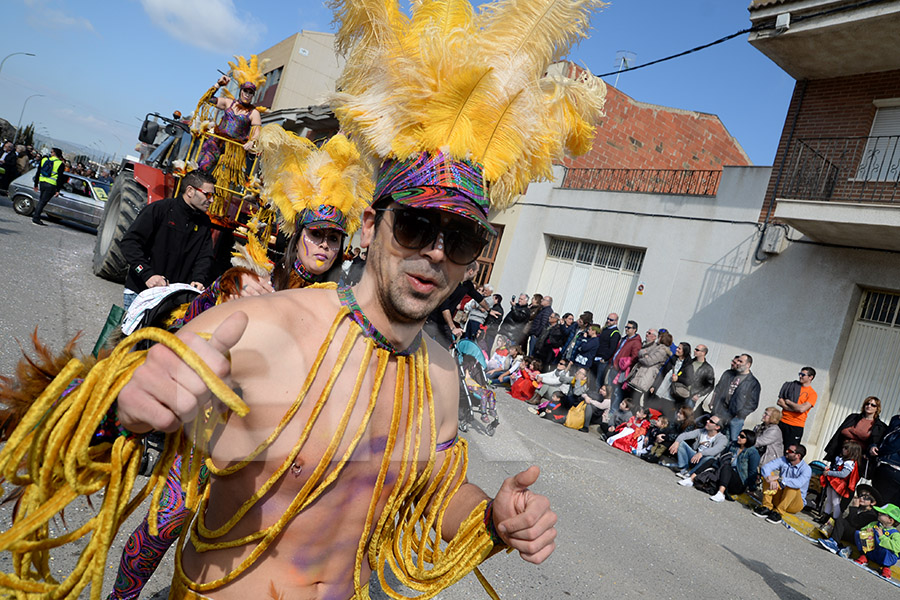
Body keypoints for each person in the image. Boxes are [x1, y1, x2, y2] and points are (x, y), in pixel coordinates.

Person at [0, 2, 609, 596]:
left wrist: (494, 518)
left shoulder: (442, 375)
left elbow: (436, 492)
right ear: (370, 228)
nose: (435, 255)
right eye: (416, 227)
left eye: (462, 238)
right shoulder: (254, 327)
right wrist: (118, 405)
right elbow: (71, 436)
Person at [106, 125, 372, 600]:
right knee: (165, 523)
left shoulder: (341, 303)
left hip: (273, 446)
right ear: (299, 234)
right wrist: (226, 294)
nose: (324, 247)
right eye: (317, 235)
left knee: (235, 553)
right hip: (212, 427)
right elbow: (193, 323)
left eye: (334, 239)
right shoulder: (253, 274)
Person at [119, 170, 217, 312]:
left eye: (213, 195)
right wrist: (147, 274)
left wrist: (198, 279)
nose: (211, 200)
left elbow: (204, 257)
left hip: (173, 299)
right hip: (142, 293)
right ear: (190, 191)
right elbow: (129, 243)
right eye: (207, 194)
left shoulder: (204, 223)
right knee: (131, 335)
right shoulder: (159, 210)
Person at [823, 396, 887, 480]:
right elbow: (843, 431)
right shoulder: (853, 417)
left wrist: (852, 431)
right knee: (832, 479)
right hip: (842, 452)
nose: (869, 406)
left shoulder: (879, 426)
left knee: (848, 483)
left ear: (877, 409)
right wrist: (860, 436)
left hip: (857, 458)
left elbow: (873, 443)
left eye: (873, 405)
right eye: (867, 404)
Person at [817, 484, 882, 557]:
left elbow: (855, 523)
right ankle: (835, 541)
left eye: (866, 497)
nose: (861, 498)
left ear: (873, 502)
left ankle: (834, 543)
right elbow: (848, 520)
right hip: (850, 532)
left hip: (858, 536)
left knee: (841, 520)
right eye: (860, 496)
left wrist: (854, 508)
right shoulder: (860, 509)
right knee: (838, 518)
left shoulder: (871, 514)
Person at [754, 444, 812, 524]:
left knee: (792, 486)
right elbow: (766, 467)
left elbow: (799, 483)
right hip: (780, 496)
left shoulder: (806, 469)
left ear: (798, 455)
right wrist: (771, 480)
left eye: (790, 451)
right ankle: (766, 507)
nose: (786, 451)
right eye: (787, 449)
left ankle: (778, 513)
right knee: (769, 475)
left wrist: (779, 478)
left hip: (794, 504)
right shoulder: (784, 459)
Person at [710, 353, 761, 444]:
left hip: (735, 418)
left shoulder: (753, 383)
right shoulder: (728, 374)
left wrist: (740, 414)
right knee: (712, 437)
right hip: (720, 412)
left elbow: (753, 403)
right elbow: (718, 389)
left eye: (741, 361)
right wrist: (713, 404)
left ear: (748, 365)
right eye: (737, 360)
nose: (737, 362)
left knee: (731, 441)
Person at [706, 429, 761, 501]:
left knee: (727, 467)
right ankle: (691, 478)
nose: (738, 437)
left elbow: (752, 471)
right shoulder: (733, 445)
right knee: (711, 460)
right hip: (725, 475)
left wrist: (752, 488)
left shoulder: (752, 452)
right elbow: (723, 457)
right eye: (739, 435)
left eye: (742, 436)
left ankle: (720, 493)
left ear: (749, 439)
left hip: (738, 482)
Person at [853, 503, 900, 579]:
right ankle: (864, 556)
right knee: (858, 533)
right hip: (872, 551)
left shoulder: (895, 534)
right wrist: (867, 531)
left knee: (887, 551)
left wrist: (882, 537)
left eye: (882, 514)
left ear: (890, 520)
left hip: (883, 556)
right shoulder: (875, 524)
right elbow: (862, 530)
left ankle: (886, 567)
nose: (879, 513)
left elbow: (897, 547)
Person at [628, 328, 671, 407]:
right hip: (640, 374)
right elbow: (641, 351)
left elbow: (649, 361)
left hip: (646, 376)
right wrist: (645, 355)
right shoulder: (655, 346)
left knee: (637, 400)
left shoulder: (662, 351)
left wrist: (644, 356)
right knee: (631, 396)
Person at [820, 440, 862, 521]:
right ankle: (825, 516)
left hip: (838, 484)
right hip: (832, 481)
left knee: (835, 502)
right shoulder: (840, 459)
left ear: (852, 452)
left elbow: (843, 474)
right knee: (829, 499)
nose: (843, 450)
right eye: (844, 448)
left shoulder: (849, 463)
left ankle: (835, 520)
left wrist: (829, 473)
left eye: (846, 449)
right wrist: (829, 469)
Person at [776, 366, 818, 448]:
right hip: (782, 421)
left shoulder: (812, 394)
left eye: (803, 375)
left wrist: (788, 402)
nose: (800, 376)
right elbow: (780, 402)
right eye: (800, 374)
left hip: (796, 426)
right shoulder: (791, 386)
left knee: (789, 450)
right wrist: (794, 408)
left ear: (810, 377)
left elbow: (802, 409)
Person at [31, 147, 65, 226]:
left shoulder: (44, 160)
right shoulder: (60, 164)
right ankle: (36, 218)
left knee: (41, 200)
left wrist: (36, 184)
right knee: (43, 202)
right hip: (51, 185)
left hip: (42, 182)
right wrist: (58, 190)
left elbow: (38, 172)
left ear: (53, 153)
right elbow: (60, 178)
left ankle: (36, 216)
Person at [871, 413, 900, 506]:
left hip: (893, 468)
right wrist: (873, 446)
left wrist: (879, 452)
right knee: (876, 498)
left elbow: (894, 445)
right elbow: (884, 437)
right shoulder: (895, 419)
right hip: (882, 464)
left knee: (883, 502)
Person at [591, 313, 621, 385]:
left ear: (616, 321)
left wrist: (605, 358)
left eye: (611, 320)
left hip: (603, 360)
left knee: (598, 381)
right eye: (608, 319)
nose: (608, 321)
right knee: (591, 379)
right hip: (596, 357)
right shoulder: (605, 329)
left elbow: (612, 348)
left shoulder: (615, 333)